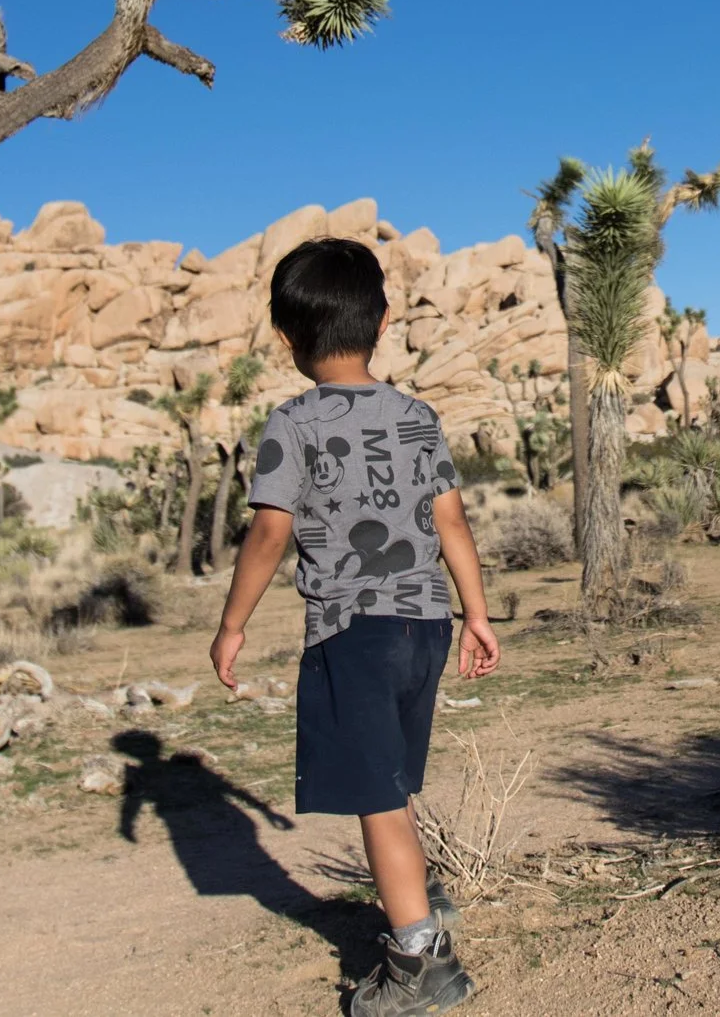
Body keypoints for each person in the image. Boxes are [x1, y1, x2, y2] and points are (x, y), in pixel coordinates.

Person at [212, 236, 501, 1017]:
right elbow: (452, 519)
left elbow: (269, 532)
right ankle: (424, 905)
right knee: (395, 782)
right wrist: (475, 612)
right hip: (424, 625)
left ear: (286, 335)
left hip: (354, 629)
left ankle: (419, 961)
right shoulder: (418, 413)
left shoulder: (292, 422)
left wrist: (232, 623)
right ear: (381, 321)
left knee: (378, 796)